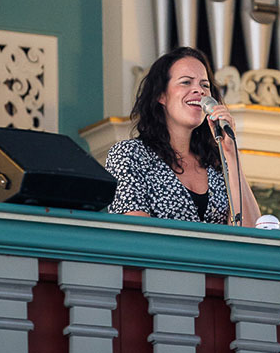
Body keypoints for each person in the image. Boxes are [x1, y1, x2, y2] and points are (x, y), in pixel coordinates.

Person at [106, 47, 261, 227]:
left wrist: (231, 155)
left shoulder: (217, 163)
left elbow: (251, 234)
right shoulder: (130, 155)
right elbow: (135, 233)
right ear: (161, 95)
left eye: (205, 85)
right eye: (186, 82)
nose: (199, 90)